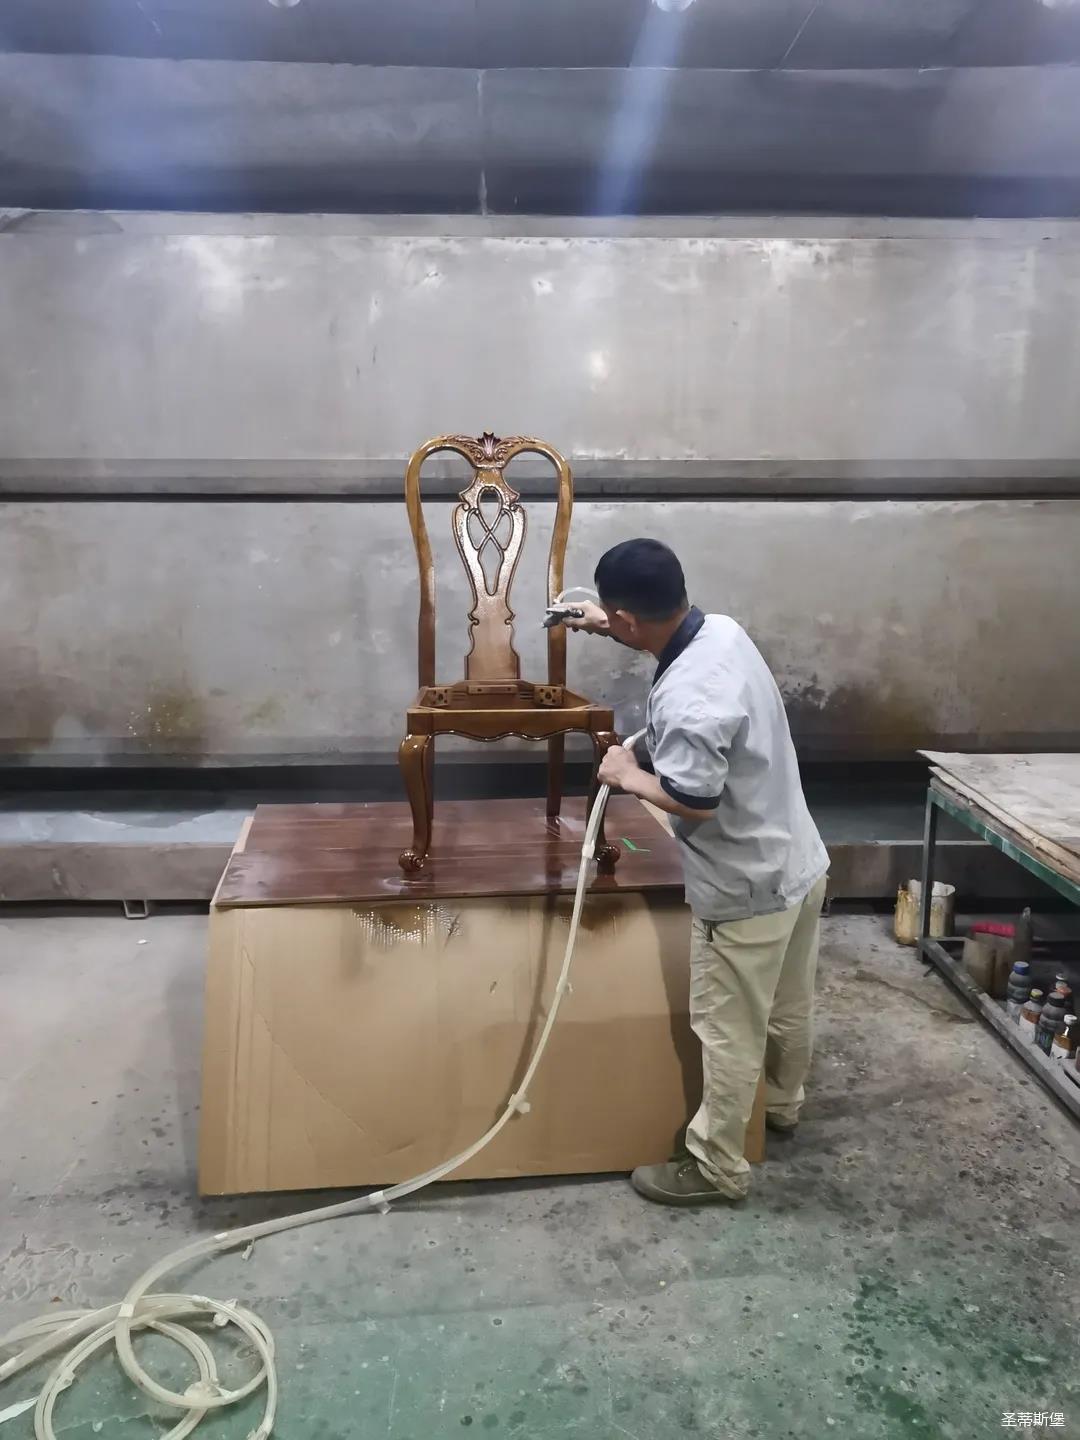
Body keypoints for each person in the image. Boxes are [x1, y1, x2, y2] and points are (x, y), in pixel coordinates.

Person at [565, 538, 828, 1206]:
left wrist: (627, 774)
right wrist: (606, 624)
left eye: (615, 619)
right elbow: (673, 652)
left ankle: (716, 1166)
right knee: (788, 1003)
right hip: (797, 861)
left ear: (630, 617)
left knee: (728, 1028)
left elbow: (695, 801)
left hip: (746, 887)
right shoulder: (722, 632)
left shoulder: (690, 698)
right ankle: (781, 1105)